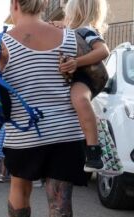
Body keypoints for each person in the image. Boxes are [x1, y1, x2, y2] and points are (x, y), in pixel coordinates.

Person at [0, 1, 87, 217]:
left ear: (14, 4)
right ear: (45, 4)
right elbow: (94, 71)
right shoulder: (71, 37)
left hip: (22, 132)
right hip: (66, 132)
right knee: (60, 199)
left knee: (19, 187)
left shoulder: (3, 42)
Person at [58, 0, 110, 172]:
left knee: (80, 99)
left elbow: (103, 51)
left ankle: (94, 152)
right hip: (71, 77)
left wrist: (76, 62)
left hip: (84, 76)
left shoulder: (86, 30)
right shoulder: (67, 31)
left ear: (77, 10)